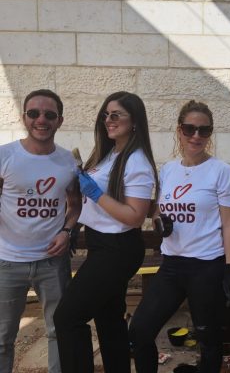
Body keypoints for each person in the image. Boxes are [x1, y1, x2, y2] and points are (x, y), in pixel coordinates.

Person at [128, 100, 230, 373]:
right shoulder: (168, 170)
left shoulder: (221, 171)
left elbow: (228, 223)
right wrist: (159, 223)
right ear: (179, 130)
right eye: (190, 129)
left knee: (208, 339)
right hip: (172, 265)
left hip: (207, 266)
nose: (196, 136)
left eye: (204, 130)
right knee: (140, 330)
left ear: (210, 133)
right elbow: (157, 211)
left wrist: (229, 269)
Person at [53, 91, 158, 373]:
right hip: (101, 244)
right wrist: (74, 224)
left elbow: (135, 217)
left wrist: (97, 194)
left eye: (116, 115)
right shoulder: (110, 153)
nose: (108, 120)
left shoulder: (136, 161)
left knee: (67, 318)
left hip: (117, 249)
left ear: (134, 121)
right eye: (105, 115)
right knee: (109, 321)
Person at [0, 89, 82, 373]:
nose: (41, 120)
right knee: (2, 338)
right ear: (24, 117)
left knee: (58, 332)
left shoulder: (68, 162)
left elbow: (75, 205)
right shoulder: (4, 156)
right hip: (8, 262)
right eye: (33, 113)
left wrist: (67, 231)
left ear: (60, 120)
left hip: (52, 262)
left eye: (49, 114)